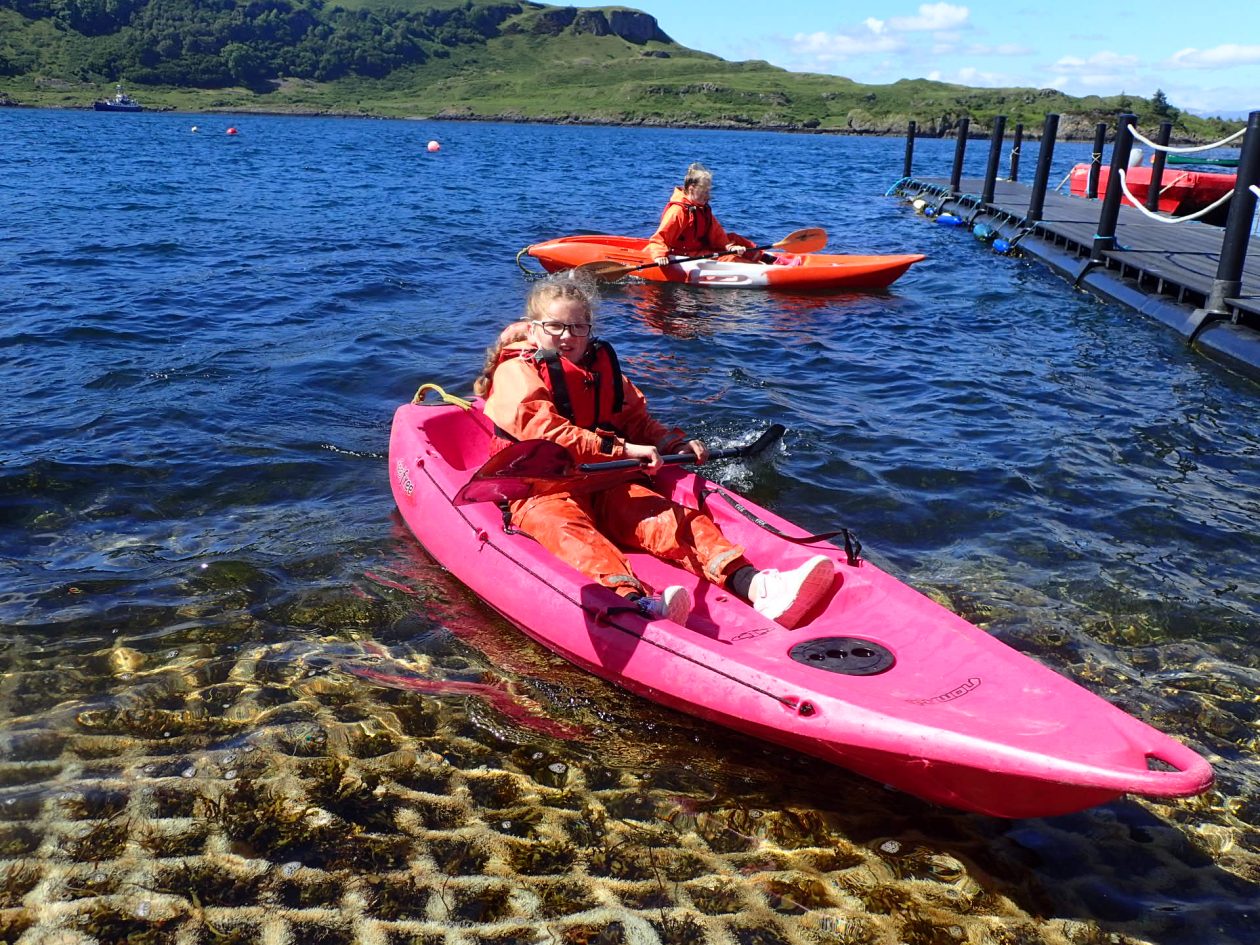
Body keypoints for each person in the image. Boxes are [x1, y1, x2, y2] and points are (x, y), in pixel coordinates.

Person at [473, 276, 834, 627]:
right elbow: (548, 434)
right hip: (541, 489)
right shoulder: (516, 372)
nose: (567, 337)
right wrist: (623, 449)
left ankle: (757, 586)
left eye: (577, 327)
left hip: (604, 481)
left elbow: (637, 421)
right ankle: (637, 604)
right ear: (534, 328)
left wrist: (673, 444)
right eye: (555, 326)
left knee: (676, 522)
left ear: (589, 330)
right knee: (574, 538)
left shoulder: (601, 370)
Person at [645, 162, 779, 266]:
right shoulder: (678, 211)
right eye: (704, 192)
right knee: (729, 258)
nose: (708, 196)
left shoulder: (702, 209)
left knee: (734, 238)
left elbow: (717, 234)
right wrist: (660, 256)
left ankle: (764, 257)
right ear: (691, 189)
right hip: (684, 253)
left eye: (708, 191)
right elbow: (659, 238)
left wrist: (729, 246)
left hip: (699, 247)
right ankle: (759, 267)